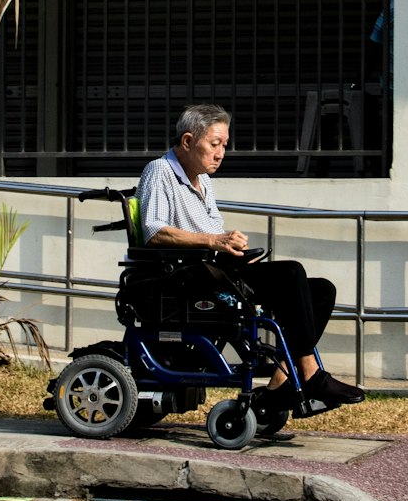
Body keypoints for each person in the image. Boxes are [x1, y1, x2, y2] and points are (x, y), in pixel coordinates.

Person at [136, 103, 365, 418]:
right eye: (214, 144)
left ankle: (283, 378)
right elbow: (153, 231)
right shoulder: (159, 171)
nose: (221, 153)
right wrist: (214, 240)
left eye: (224, 146)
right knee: (292, 272)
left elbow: (214, 234)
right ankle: (310, 374)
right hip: (188, 276)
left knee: (322, 290)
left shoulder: (204, 182)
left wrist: (231, 247)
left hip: (217, 268)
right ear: (188, 141)